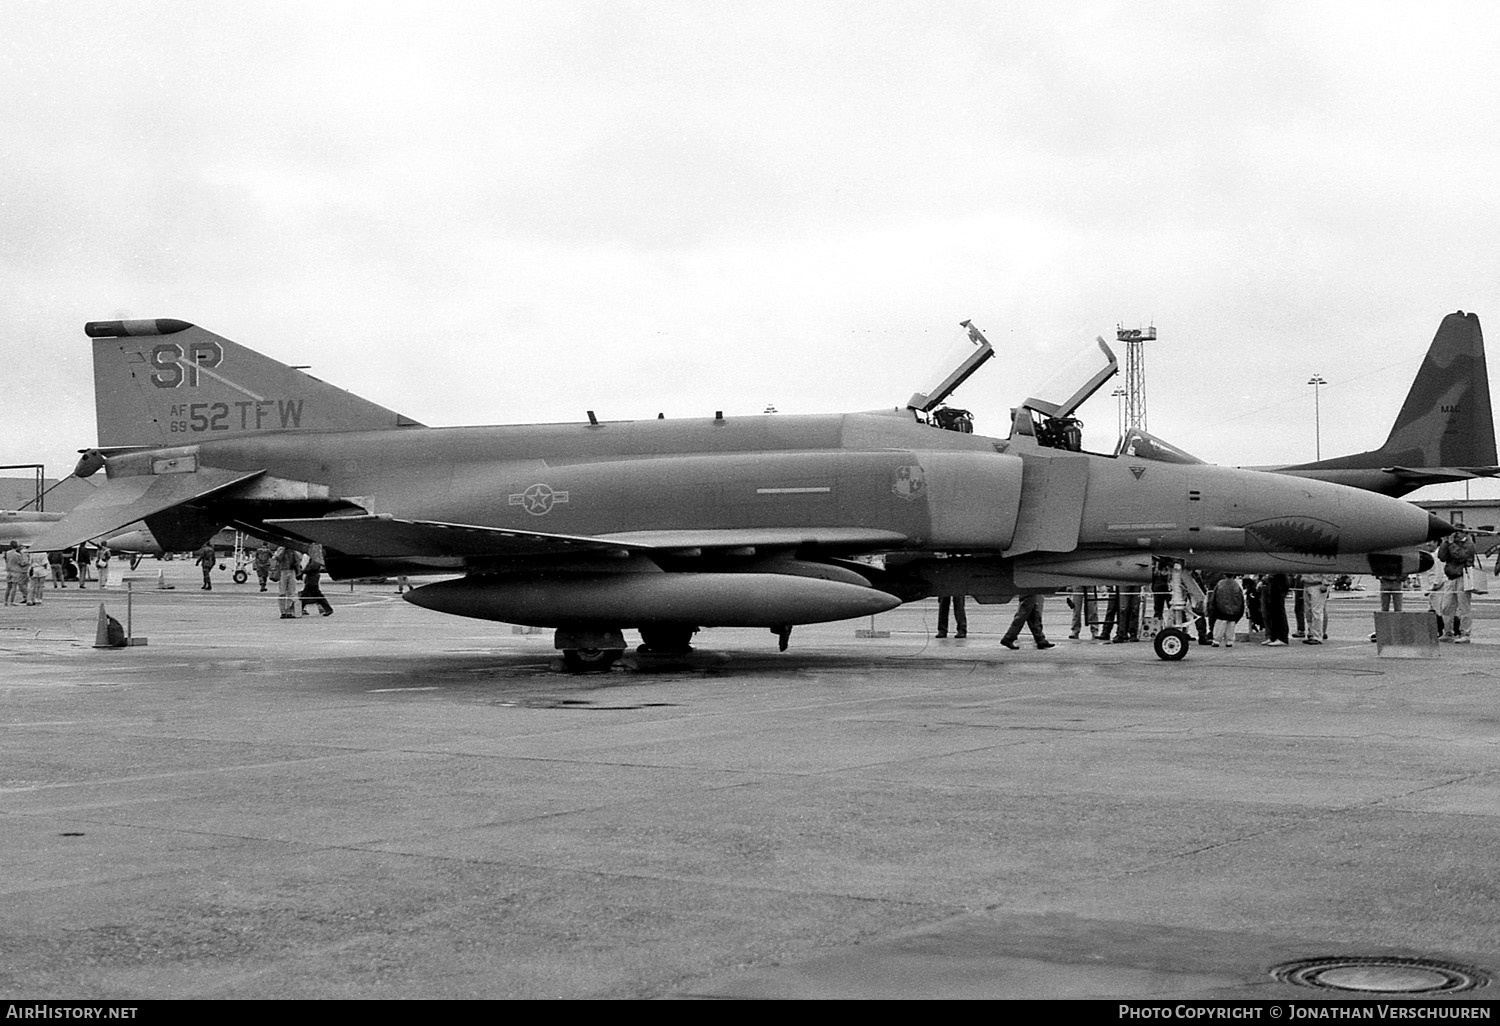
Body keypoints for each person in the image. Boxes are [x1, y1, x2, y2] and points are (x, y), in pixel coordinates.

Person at [1435, 527, 1477, 642]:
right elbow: (1442, 557)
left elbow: (1460, 556)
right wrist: (1445, 543)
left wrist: (1451, 544)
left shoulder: (1469, 544)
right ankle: (1448, 632)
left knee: (1464, 607)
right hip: (1451, 577)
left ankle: (1465, 633)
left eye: (1457, 533)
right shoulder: (1452, 543)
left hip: (1463, 576)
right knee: (1446, 606)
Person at [1208, 574, 1245, 647]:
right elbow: (1240, 599)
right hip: (1234, 609)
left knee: (1220, 625)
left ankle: (1216, 641)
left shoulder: (1220, 584)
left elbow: (1214, 598)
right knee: (1231, 625)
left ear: (1224, 575)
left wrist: (1211, 608)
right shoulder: (1236, 585)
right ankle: (1229, 641)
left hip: (1221, 609)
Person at [299, 544, 333, 617]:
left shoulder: (316, 558)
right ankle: (328, 609)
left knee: (305, 594)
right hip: (312, 577)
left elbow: (313, 567)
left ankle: (299, 609)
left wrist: (303, 571)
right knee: (316, 594)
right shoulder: (315, 557)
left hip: (312, 577)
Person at [1259, 573, 1291, 646]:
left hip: (1279, 582)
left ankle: (1282, 637)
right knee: (1272, 611)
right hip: (1274, 582)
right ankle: (1274, 636)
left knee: (1279, 611)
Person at [272, 546, 302, 619]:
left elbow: (299, 559)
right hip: (283, 570)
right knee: (282, 592)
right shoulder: (281, 549)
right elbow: (277, 557)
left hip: (292, 571)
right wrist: (283, 550)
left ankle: (289, 611)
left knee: (291, 591)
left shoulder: (294, 550)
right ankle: (283, 611)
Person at [1301, 573, 1330, 644]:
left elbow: (1328, 571)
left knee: (1316, 611)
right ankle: (1312, 633)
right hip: (1307, 584)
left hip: (1318, 584)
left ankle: (1317, 636)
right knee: (1308, 612)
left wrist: (1326, 583)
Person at [4, 542, 27, 606]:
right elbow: (21, 564)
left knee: (8, 587)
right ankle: (11, 601)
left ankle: (5, 601)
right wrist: (26, 563)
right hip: (16, 571)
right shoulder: (17, 555)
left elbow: (6, 561)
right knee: (14, 587)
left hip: (9, 571)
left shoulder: (7, 553)